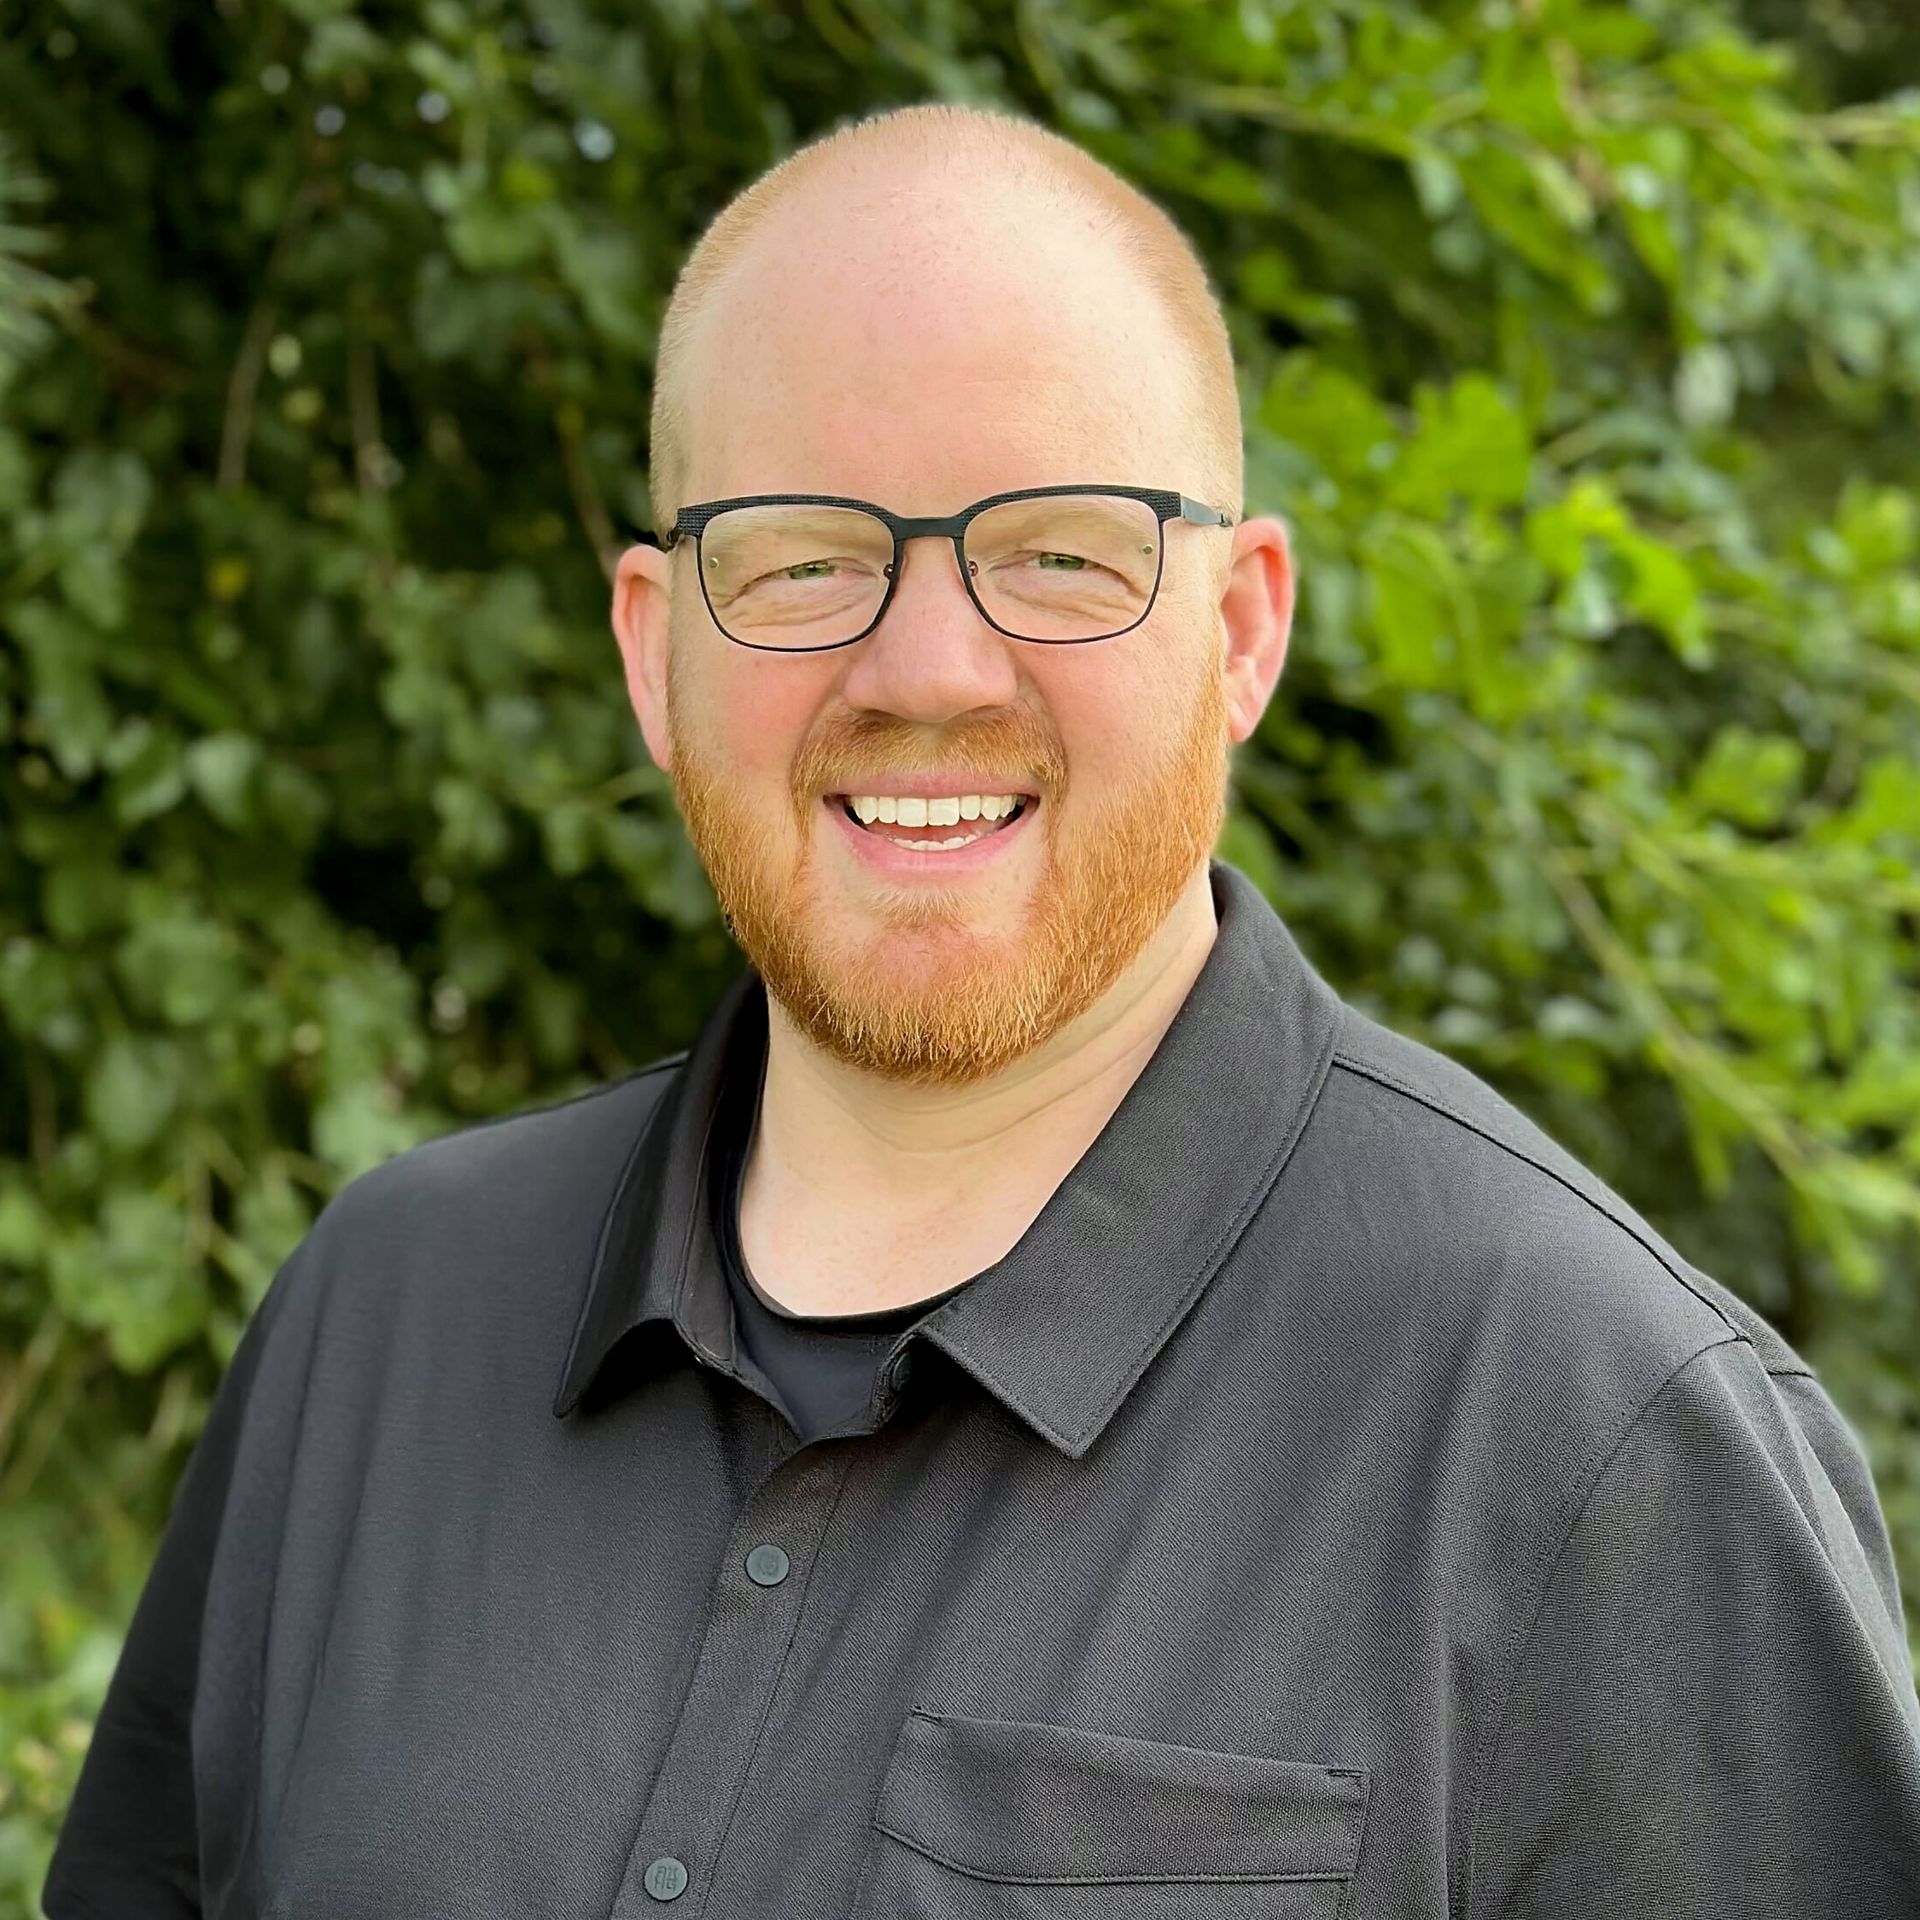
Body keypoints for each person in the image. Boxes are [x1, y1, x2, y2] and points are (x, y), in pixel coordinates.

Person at [44, 101, 1920, 1920]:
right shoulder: (375, 1320)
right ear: (652, 650)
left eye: (1061, 552)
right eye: (801, 556)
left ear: (1244, 630)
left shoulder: (1601, 1441)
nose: (927, 668)